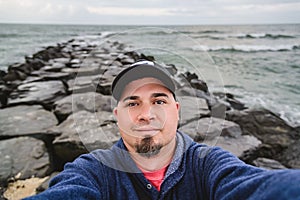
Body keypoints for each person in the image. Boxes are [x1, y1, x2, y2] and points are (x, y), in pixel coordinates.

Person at [25, 60, 300, 200]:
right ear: (117, 117)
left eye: (159, 100)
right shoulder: (94, 171)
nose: (146, 114)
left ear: (177, 111)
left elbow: (255, 187)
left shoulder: (208, 164)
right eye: (133, 103)